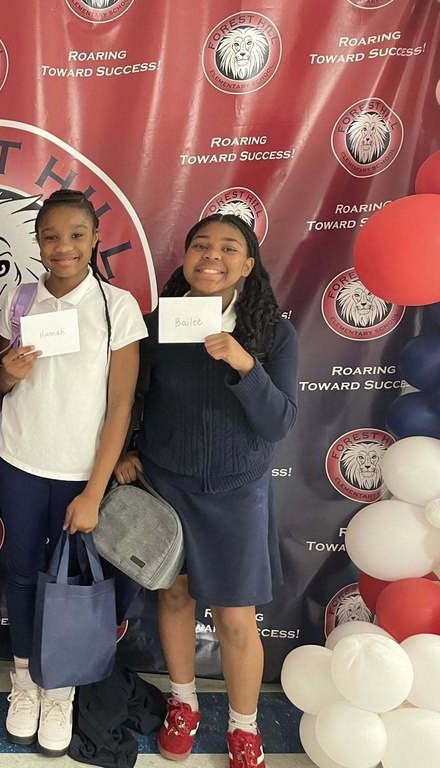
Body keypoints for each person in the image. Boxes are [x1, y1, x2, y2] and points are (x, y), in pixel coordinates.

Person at [115, 213, 297, 768]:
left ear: (246, 266)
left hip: (236, 492)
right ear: (186, 258)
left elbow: (280, 423)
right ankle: (184, 702)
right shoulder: (157, 325)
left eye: (228, 248)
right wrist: (124, 450)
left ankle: (244, 727)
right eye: (200, 245)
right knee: (173, 596)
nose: (211, 256)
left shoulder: (271, 333)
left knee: (234, 616)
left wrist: (244, 364)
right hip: (168, 486)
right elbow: (130, 397)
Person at [0, 189, 147, 757]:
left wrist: (94, 488)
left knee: (73, 585)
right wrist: (5, 372)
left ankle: (61, 692)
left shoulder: (117, 305)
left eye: (76, 235)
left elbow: (121, 406)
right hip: (22, 459)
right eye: (52, 236)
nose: (63, 247)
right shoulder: (21, 297)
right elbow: (1, 384)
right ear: (38, 241)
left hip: (83, 472)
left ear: (95, 239)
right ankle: (26, 681)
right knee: (25, 574)